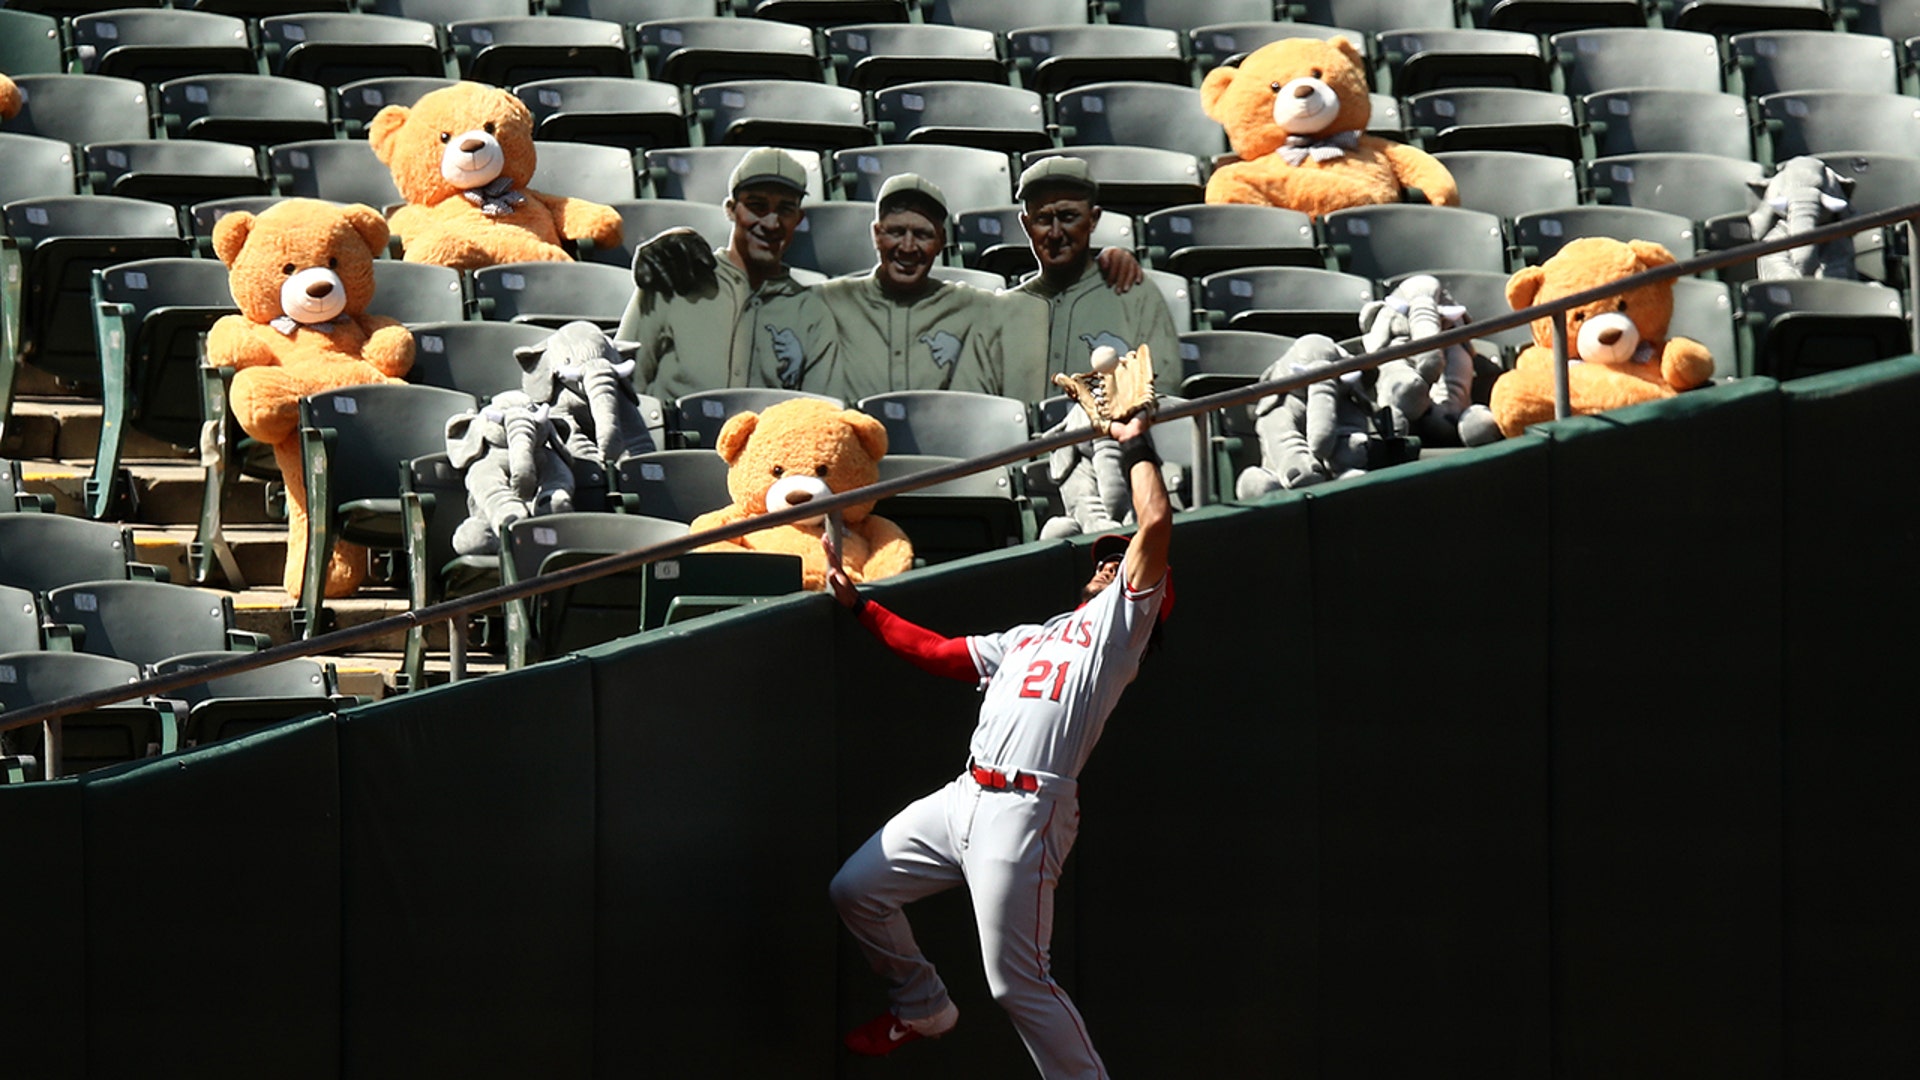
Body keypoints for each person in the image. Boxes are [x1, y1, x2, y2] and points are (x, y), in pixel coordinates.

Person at [825, 406, 1173, 1080]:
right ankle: (922, 1002)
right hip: (964, 796)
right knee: (855, 890)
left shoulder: (1120, 633)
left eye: (1118, 563)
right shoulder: (1031, 635)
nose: (1107, 567)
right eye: (1102, 561)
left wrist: (1135, 443)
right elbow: (935, 651)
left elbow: (1154, 524)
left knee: (1019, 985)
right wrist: (862, 606)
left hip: (1026, 809)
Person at [615, 147, 840, 401]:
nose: (771, 223)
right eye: (757, 206)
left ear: (798, 219)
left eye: (785, 209)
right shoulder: (676, 277)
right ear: (731, 210)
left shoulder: (812, 314)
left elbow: (819, 417)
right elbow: (621, 385)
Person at [815, 173, 1050, 402]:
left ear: (941, 241)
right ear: (876, 235)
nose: (907, 247)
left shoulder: (975, 306)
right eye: (896, 232)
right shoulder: (827, 301)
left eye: (922, 235)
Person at [995, 157, 1183, 403]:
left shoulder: (1135, 294)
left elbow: (1164, 393)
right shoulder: (1002, 312)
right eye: (1043, 219)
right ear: (1026, 225)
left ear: (1093, 219)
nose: (1055, 233)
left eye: (1068, 217)